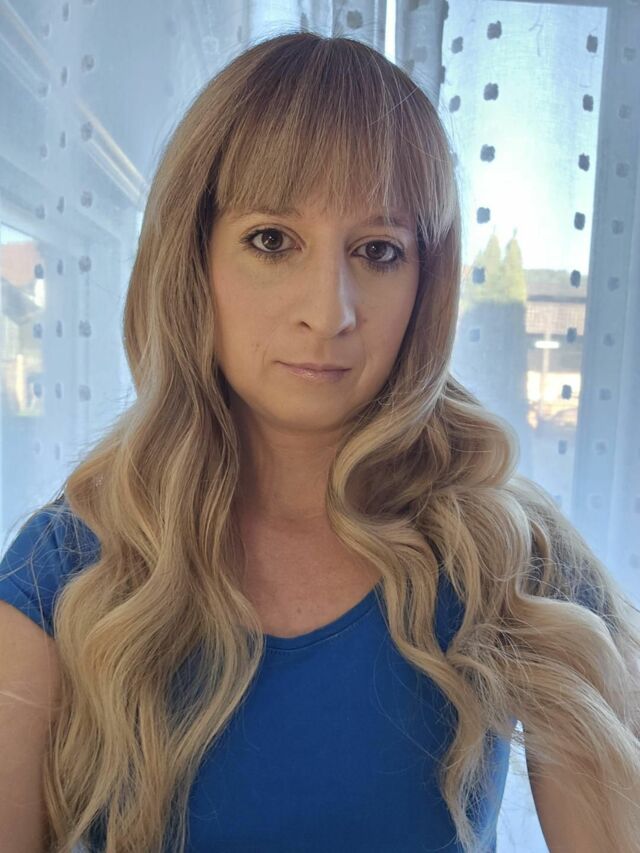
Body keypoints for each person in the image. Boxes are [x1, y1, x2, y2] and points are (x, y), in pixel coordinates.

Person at [1, 30, 639, 853]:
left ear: (427, 282)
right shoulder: (62, 571)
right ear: (194, 258)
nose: (328, 311)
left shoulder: (513, 561)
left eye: (377, 251)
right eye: (272, 240)